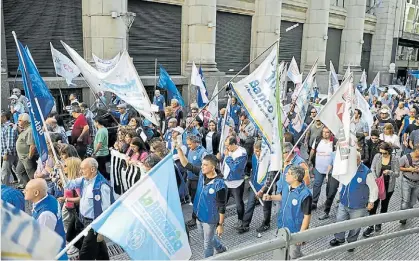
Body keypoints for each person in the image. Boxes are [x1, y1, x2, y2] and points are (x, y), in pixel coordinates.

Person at [176, 148, 227, 258]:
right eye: (202, 164)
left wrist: (220, 225)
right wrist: (178, 148)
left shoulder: (219, 185)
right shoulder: (201, 174)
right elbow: (186, 164)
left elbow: (222, 206)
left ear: (212, 167)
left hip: (210, 219)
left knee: (206, 244)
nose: (202, 167)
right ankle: (220, 248)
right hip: (199, 215)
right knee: (206, 238)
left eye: (205, 165)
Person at [62, 158, 113, 260]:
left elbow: (107, 210)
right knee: (71, 237)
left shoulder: (102, 186)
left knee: (85, 254)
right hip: (81, 219)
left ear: (93, 169)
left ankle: (89, 251)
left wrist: (101, 231)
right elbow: (68, 185)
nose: (81, 171)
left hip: (93, 224)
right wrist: (60, 171)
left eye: (83, 169)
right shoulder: (84, 180)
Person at [329, 152, 378, 251]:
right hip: (344, 202)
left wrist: (371, 201)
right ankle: (339, 238)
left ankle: (351, 243)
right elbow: (342, 182)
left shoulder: (366, 172)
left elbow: (374, 188)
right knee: (339, 222)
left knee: (355, 226)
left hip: (358, 206)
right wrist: (340, 193)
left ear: (358, 160)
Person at [263, 166, 312, 259]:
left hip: (295, 231)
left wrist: (301, 235)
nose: (285, 174)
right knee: (280, 252)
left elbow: (307, 216)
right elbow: (281, 196)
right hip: (282, 227)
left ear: (295, 178)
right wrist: (270, 197)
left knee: (294, 255)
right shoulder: (286, 186)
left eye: (288, 173)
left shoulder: (305, 194)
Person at [25, 178, 68, 260]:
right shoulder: (50, 198)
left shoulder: (45, 215)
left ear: (36, 193)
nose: (24, 191)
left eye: (27, 190)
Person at [363, 142, 400, 237]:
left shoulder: (394, 159)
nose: (382, 154)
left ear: (389, 151)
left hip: (388, 186)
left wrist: (390, 172)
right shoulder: (377, 156)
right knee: (373, 204)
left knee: (384, 205)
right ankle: (370, 226)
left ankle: (379, 222)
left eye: (384, 153)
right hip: (377, 184)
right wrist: (375, 178)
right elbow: (372, 168)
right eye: (381, 152)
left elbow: (397, 173)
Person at [238, 140, 272, 234]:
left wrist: (262, 190)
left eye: (258, 151)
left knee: (266, 206)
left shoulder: (269, 160)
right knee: (250, 205)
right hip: (255, 185)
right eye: (255, 151)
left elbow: (270, 178)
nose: (256, 153)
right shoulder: (253, 157)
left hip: (265, 187)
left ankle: (266, 223)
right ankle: (245, 225)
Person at [221, 136, 248, 229]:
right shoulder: (229, 150)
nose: (226, 148)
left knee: (238, 203)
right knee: (222, 202)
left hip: (236, 182)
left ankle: (241, 220)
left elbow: (235, 168)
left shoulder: (241, 153)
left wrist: (228, 157)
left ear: (233, 144)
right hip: (226, 180)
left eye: (228, 146)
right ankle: (220, 221)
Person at [309, 127, 336, 210]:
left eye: (327, 132)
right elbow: (313, 150)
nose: (325, 134)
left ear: (330, 133)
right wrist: (310, 160)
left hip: (331, 170)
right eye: (323, 132)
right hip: (318, 167)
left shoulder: (334, 142)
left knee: (329, 186)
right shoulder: (318, 140)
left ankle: (328, 202)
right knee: (317, 184)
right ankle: (314, 202)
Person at [184, 135, 207, 226]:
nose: (188, 146)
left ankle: (195, 218)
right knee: (192, 199)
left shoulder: (203, 152)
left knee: (196, 199)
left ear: (195, 142)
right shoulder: (190, 150)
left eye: (190, 144)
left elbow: (205, 167)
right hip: (190, 178)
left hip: (197, 180)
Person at [398, 144, 419, 225]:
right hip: (406, 181)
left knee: (412, 202)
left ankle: (407, 213)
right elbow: (398, 167)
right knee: (405, 200)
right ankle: (402, 217)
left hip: (417, 183)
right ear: (416, 150)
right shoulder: (405, 157)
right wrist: (409, 169)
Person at [15, 113, 36, 188]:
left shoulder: (29, 130)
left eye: (20, 120)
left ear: (25, 121)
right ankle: (28, 186)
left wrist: (29, 157)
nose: (18, 122)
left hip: (27, 156)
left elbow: (32, 146)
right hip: (22, 157)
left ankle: (35, 188)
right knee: (19, 170)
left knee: (31, 173)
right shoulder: (25, 129)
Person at [1, 111, 18, 185]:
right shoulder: (3, 127)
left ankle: (3, 188)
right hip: (4, 153)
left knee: (5, 172)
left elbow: (10, 142)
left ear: (4, 118)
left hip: (8, 153)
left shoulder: (9, 127)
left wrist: (6, 153)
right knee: (16, 170)